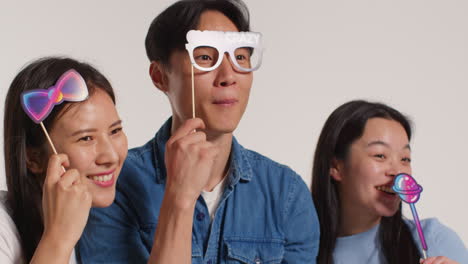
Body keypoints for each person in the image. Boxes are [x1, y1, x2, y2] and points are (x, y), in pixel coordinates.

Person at [78, 0, 320, 263]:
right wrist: (179, 197)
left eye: (240, 57)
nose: (228, 76)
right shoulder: (112, 185)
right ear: (160, 77)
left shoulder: (286, 194)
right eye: (205, 57)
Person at [1, 57, 128, 263]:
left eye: (115, 131)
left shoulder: (103, 227)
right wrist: (58, 238)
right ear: (33, 158)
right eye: (86, 138)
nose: (111, 156)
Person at [311, 100, 467, 264]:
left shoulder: (433, 240)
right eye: (380, 155)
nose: (398, 172)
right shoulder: (293, 248)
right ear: (336, 166)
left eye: (405, 159)